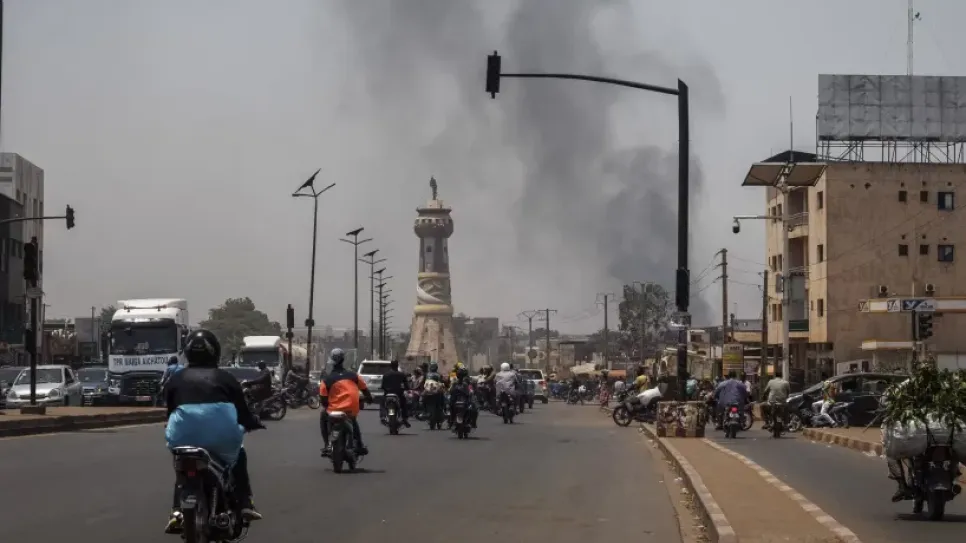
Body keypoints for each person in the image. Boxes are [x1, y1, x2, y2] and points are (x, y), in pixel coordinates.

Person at [163, 329, 264, 533]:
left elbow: (170, 411)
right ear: (215, 352)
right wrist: (253, 423)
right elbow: (243, 413)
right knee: (239, 455)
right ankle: (245, 502)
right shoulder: (227, 378)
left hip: (182, 435)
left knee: (181, 467)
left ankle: (176, 511)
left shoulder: (175, 379)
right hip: (222, 437)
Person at [319, 348, 373, 457]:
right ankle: (359, 445)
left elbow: (323, 399)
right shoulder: (354, 376)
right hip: (351, 409)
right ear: (343, 360)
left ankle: (327, 445)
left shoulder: (327, 379)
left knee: (323, 415)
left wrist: (328, 406)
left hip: (333, 410)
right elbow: (365, 390)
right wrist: (369, 399)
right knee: (353, 420)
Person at [380, 359, 411, 427]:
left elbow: (382, 386)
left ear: (390, 366)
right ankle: (404, 418)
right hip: (398, 394)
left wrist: (385, 389)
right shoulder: (401, 374)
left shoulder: (386, 374)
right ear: (397, 366)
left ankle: (383, 416)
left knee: (382, 404)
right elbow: (406, 386)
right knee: (404, 404)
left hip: (388, 394)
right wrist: (406, 389)